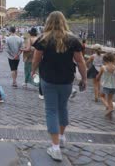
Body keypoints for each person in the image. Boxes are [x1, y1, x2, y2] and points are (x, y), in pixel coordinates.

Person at [31, 11, 87, 161]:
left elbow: (36, 58)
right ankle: (61, 137)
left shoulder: (43, 39)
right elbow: (80, 61)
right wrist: (84, 78)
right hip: (67, 80)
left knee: (51, 111)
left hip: (48, 79)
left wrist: (32, 71)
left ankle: (55, 148)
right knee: (63, 108)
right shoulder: (73, 39)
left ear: (49, 22)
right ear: (64, 21)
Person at [21, 27, 43, 97]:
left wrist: (22, 49)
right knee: (37, 71)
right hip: (37, 57)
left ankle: (26, 82)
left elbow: (28, 49)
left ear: (30, 33)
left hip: (29, 58)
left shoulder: (29, 39)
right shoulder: (38, 39)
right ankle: (38, 82)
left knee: (27, 70)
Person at [95, 53, 115, 118]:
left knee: (102, 96)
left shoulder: (103, 67)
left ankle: (108, 107)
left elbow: (98, 77)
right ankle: (110, 110)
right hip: (114, 86)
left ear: (105, 60)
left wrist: (97, 78)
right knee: (110, 99)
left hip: (106, 86)